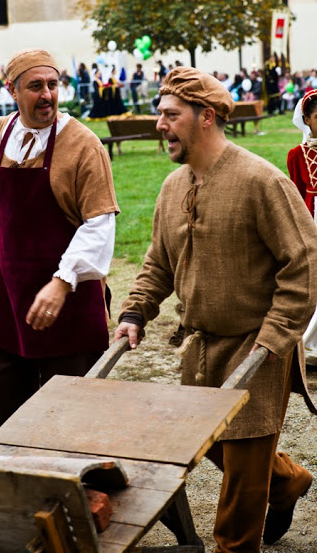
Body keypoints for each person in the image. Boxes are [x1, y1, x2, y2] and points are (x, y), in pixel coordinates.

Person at [113, 67, 317, 553]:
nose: (160, 125)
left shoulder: (260, 181)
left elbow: (304, 261)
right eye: (159, 114)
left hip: (258, 345)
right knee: (215, 448)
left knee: (242, 484)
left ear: (206, 117)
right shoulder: (170, 188)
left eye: (170, 115)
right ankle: (287, 481)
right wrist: (135, 310)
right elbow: (159, 261)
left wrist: (276, 336)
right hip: (200, 344)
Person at [0, 48, 119, 429]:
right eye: (36, 86)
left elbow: (100, 224)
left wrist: (62, 281)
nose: (47, 95)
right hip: (10, 291)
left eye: (53, 85)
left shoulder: (83, 144)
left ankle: (80, 482)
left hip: (69, 296)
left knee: (71, 406)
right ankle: (25, 474)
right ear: (12, 90)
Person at [287, 88, 317, 366]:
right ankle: (309, 345)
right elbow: (296, 192)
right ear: (307, 119)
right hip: (312, 217)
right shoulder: (297, 155)